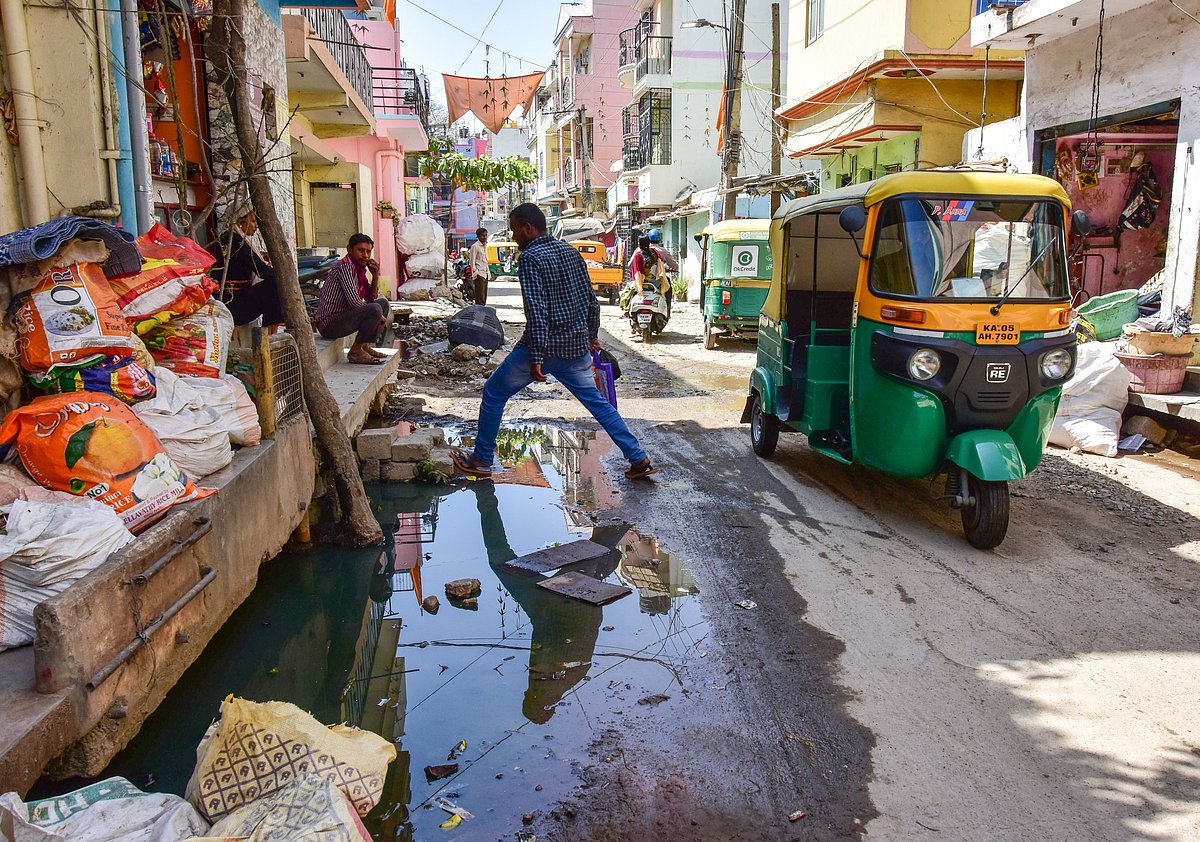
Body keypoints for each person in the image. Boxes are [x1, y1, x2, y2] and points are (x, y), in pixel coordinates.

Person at [451, 203, 658, 481]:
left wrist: (536, 358)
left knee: (494, 393)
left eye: (514, 231)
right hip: (575, 346)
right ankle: (638, 458)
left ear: (528, 227)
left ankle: (481, 459)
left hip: (545, 346)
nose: (514, 237)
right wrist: (591, 337)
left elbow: (537, 312)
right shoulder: (570, 252)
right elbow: (591, 303)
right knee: (598, 404)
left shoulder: (530, 258)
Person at [314, 233, 390, 365]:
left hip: (344, 317)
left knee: (382, 304)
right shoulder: (345, 266)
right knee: (376, 309)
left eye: (368, 251)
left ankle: (363, 345)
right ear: (349, 249)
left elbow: (371, 297)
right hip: (329, 324)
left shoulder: (359, 270)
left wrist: (375, 276)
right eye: (361, 250)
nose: (365, 255)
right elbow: (354, 301)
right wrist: (380, 316)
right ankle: (355, 352)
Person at [209, 207, 285, 327]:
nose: (256, 226)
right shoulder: (236, 242)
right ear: (240, 222)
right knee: (274, 283)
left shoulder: (227, 238)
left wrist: (260, 255)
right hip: (232, 305)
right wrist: (284, 277)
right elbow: (261, 271)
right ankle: (269, 330)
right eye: (253, 221)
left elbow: (244, 260)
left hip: (226, 299)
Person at [469, 227, 491, 305]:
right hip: (479, 274)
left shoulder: (485, 246)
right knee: (479, 295)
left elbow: (485, 261)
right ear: (478, 236)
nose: (485, 237)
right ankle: (479, 311)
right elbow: (472, 261)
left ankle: (483, 310)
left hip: (485, 273)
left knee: (484, 295)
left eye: (486, 235)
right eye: (483, 235)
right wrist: (476, 272)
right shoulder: (475, 246)